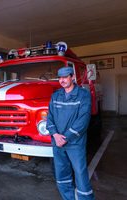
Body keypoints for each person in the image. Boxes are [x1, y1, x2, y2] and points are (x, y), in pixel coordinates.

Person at [46, 67, 95, 200]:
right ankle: (68, 198)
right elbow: (49, 117)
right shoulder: (56, 95)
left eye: (65, 77)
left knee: (80, 174)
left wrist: (66, 137)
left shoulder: (83, 95)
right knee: (61, 174)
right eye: (59, 78)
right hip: (58, 142)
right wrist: (55, 135)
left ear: (72, 77)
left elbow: (83, 120)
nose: (62, 80)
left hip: (75, 143)